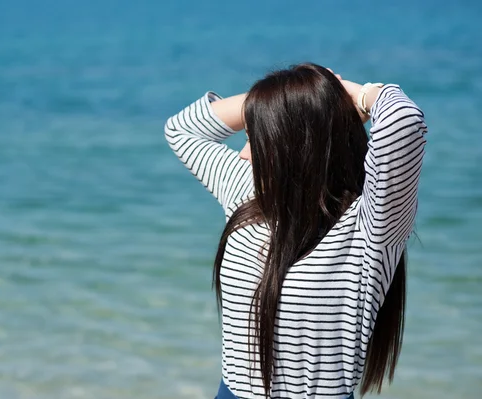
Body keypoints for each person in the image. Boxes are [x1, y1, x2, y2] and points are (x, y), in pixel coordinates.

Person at [164, 63, 427, 399]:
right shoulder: (246, 193)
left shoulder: (370, 227)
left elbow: (403, 123)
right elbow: (182, 129)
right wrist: (282, 97)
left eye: (256, 135)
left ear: (290, 145)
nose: (245, 148)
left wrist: (354, 96)